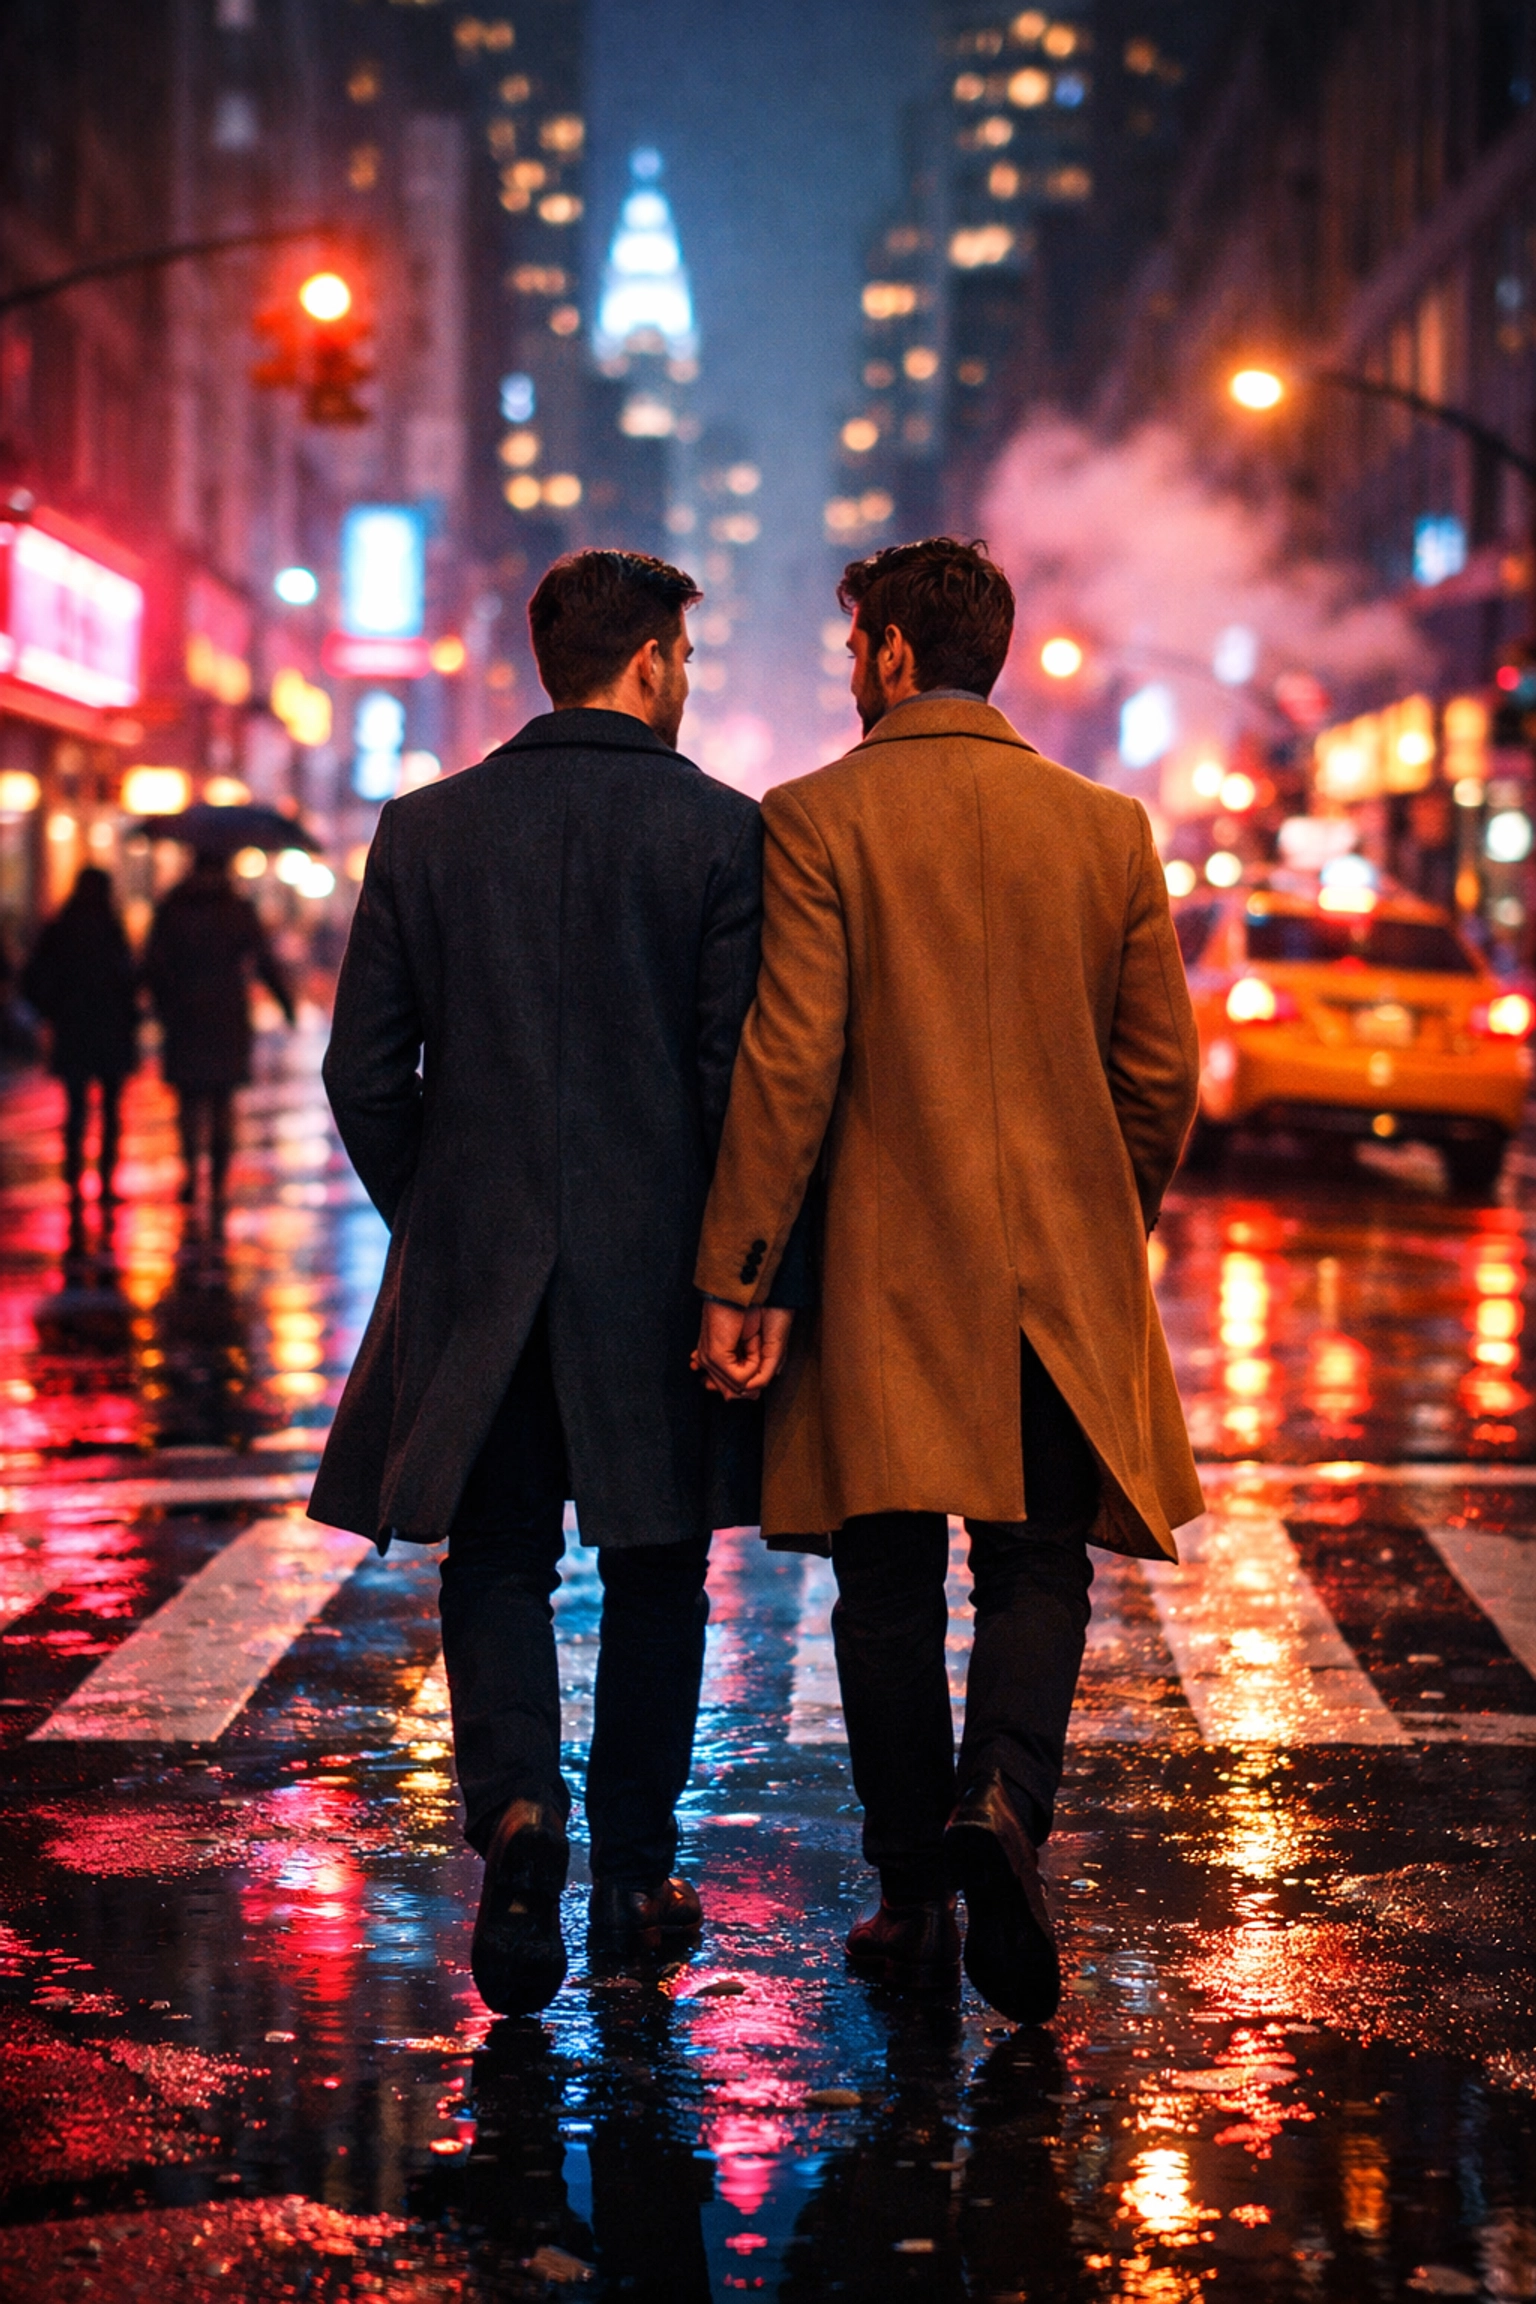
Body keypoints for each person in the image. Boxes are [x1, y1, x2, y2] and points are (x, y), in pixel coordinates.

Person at [695, 537, 1202, 2025]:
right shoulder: (1106, 828)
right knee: (1041, 1559)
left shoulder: (816, 817)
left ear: (899, 655)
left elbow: (791, 1062)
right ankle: (1007, 1810)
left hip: (883, 1278)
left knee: (888, 1581)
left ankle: (913, 1884)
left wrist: (741, 1267)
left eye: (858, 644)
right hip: (1055, 1275)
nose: (850, 669)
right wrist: (1103, 1218)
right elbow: (1160, 1078)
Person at [310, 550, 805, 2016]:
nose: (688, 684)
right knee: (659, 1568)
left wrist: (450, 1216)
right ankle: (641, 1869)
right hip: (659, 1279)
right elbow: (739, 1085)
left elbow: (363, 1073)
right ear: (652, 662)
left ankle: (521, 1819)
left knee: (500, 1559)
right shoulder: (726, 834)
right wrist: (745, 1272)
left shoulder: (426, 829)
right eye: (686, 661)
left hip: (489, 1274)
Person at [142, 849, 295, 1214]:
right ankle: (219, 1179)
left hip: (185, 1015)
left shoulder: (172, 908)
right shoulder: (236, 908)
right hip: (226, 1013)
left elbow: (153, 963)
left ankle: (192, 1176)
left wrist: (161, 1005)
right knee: (223, 1099)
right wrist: (285, 1004)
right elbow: (262, 961)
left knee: (189, 1099)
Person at [21, 865, 138, 1205]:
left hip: (74, 1030)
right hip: (108, 1030)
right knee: (109, 1111)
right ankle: (104, 1182)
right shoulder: (109, 928)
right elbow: (126, 977)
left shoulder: (60, 928)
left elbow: (34, 977)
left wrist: (52, 1011)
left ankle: (74, 1180)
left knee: (76, 1108)